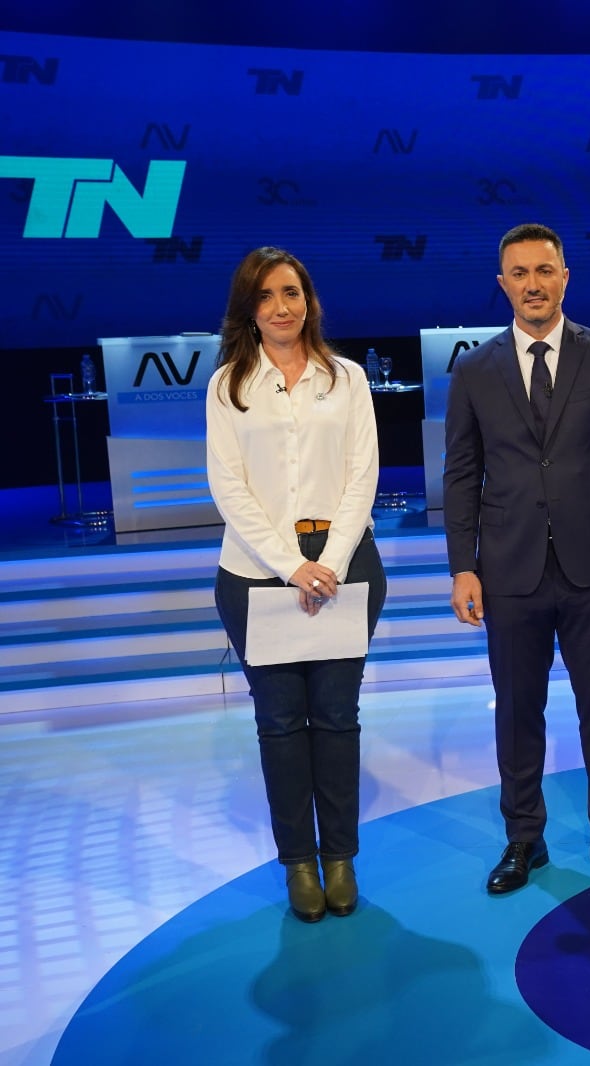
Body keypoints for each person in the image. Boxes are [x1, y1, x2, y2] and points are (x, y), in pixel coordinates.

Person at [443, 223, 590, 890]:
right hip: (509, 569)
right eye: (520, 272)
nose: (533, 283)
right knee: (516, 710)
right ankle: (522, 838)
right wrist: (463, 565)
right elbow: (461, 474)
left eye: (545, 270)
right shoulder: (476, 369)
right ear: (502, 283)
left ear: (566, 277)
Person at [206, 247, 387, 923]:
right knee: (280, 725)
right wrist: (292, 567)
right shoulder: (228, 385)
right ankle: (299, 865)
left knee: (337, 719)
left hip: (343, 569)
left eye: (291, 292)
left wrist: (330, 563)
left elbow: (362, 476)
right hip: (256, 577)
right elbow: (230, 488)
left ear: (309, 300)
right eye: (265, 296)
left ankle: (340, 856)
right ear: (247, 309)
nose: (281, 307)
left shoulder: (347, 379)